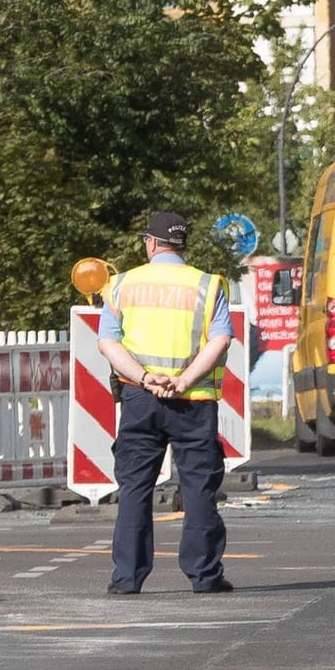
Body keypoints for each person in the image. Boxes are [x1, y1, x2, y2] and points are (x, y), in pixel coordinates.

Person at [96, 211, 235, 596]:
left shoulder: (122, 284)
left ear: (152, 243)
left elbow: (108, 342)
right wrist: (184, 379)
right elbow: (220, 339)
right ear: (181, 244)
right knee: (198, 489)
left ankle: (127, 578)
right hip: (192, 401)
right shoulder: (206, 285)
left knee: (135, 488)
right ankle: (205, 576)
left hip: (140, 398)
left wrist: (144, 378)